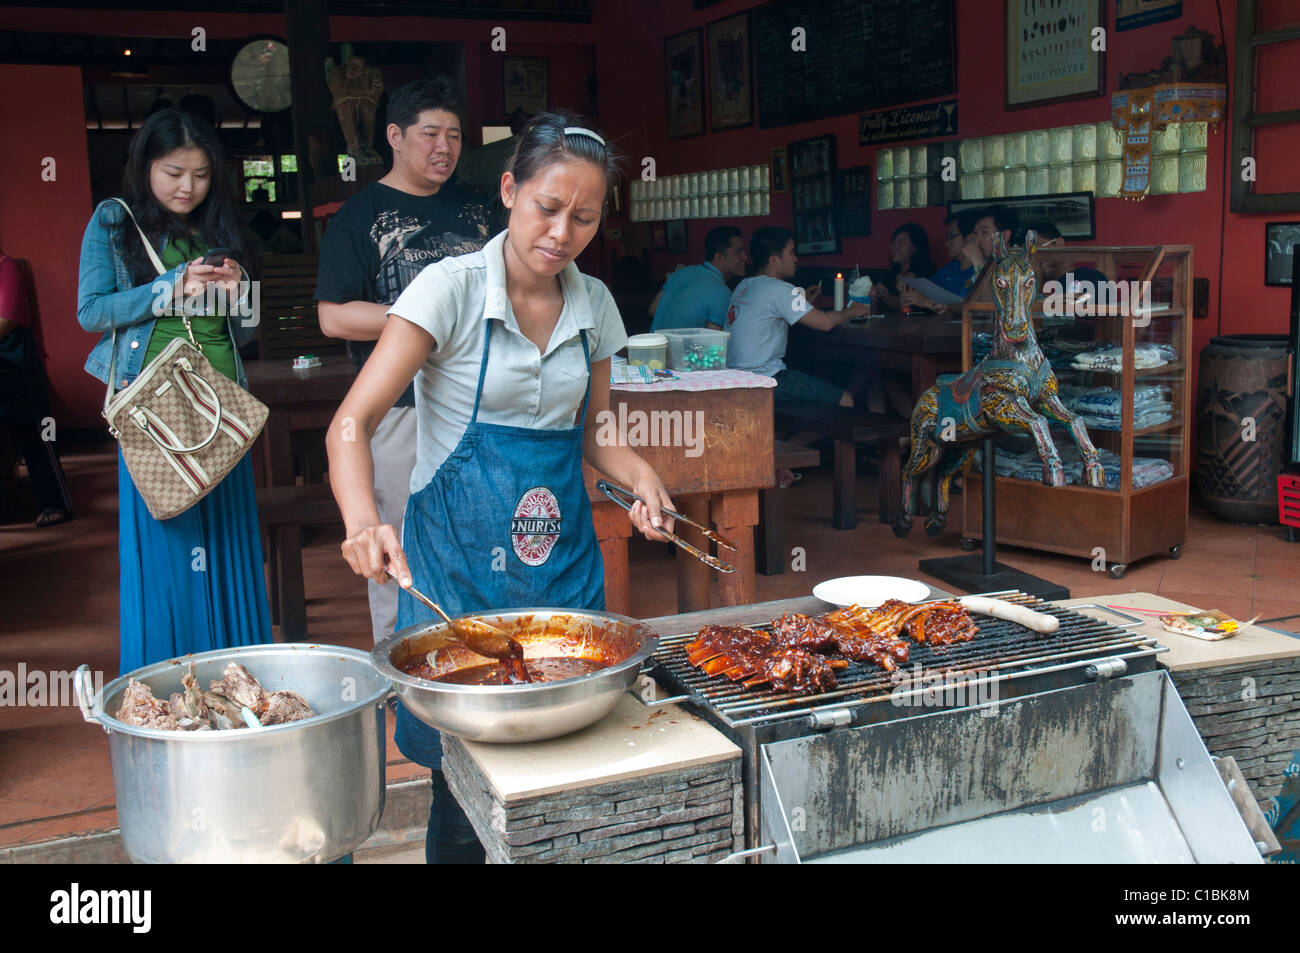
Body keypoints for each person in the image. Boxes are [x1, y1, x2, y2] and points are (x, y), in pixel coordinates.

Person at [326, 111, 676, 864]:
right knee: (464, 789)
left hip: (560, 568)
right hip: (457, 570)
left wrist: (644, 480)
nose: (562, 232)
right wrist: (363, 520)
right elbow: (350, 423)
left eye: (583, 218)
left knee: (569, 770)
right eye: (547, 208)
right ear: (510, 190)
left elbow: (599, 435)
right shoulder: (447, 290)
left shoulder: (595, 307)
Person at [77, 108, 270, 674]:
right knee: (169, 549)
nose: (188, 187)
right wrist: (169, 286)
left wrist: (240, 294)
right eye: (173, 172)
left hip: (220, 405)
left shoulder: (219, 229)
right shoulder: (114, 223)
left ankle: (235, 676)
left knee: (229, 543)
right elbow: (91, 312)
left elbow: (246, 329)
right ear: (145, 167)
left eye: (202, 174)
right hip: (156, 411)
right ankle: (173, 683)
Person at [315, 77, 495, 647]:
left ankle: (487, 659)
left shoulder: (479, 209)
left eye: (455, 135)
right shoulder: (360, 216)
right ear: (394, 136)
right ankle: (404, 671)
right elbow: (335, 317)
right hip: (400, 408)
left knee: (483, 533)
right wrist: (424, 318)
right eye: (429, 134)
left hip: (482, 402)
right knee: (400, 542)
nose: (444, 147)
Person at [725, 226, 868, 487]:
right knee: (845, 401)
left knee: (787, 414)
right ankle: (784, 455)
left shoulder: (744, 286)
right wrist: (852, 311)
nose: (796, 258)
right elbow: (825, 322)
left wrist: (802, 300)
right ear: (774, 259)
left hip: (737, 378)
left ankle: (778, 460)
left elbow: (766, 317)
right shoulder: (781, 290)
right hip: (767, 379)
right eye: (791, 252)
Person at [0, 250, 70, 526]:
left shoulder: (8, 268)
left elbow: (5, 321)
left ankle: (56, 502)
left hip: (19, 368)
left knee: (42, 432)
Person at [648, 226, 747, 331]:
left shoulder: (682, 273)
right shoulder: (722, 293)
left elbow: (653, 310)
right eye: (738, 252)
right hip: (677, 347)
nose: (745, 257)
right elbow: (714, 344)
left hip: (654, 344)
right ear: (719, 257)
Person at [869, 223, 935, 313]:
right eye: (893, 243)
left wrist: (883, 296)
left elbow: (908, 307)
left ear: (915, 247)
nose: (895, 248)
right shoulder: (890, 276)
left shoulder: (925, 275)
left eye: (901, 244)